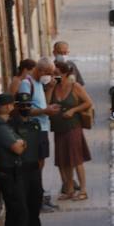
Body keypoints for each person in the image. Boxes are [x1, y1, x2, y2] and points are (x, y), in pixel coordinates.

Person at [0, 94, 54, 226]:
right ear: (12, 106)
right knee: (19, 215)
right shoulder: (5, 126)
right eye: (21, 105)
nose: (25, 108)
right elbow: (18, 147)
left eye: (28, 105)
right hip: (15, 174)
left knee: (30, 212)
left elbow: (39, 148)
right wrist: (22, 143)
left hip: (29, 172)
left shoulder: (32, 124)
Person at [14, 58, 58, 212]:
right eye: (48, 73)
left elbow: (43, 104)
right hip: (34, 130)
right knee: (36, 165)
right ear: (40, 71)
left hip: (43, 127)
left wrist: (50, 92)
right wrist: (45, 111)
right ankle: (35, 199)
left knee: (41, 163)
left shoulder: (39, 83)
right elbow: (25, 110)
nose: (50, 77)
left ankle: (39, 195)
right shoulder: (27, 84)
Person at [48, 61, 93, 201]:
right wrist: (50, 87)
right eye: (53, 74)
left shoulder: (75, 87)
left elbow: (88, 102)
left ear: (65, 73)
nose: (55, 76)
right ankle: (69, 189)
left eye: (57, 73)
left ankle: (83, 190)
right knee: (62, 160)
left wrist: (73, 110)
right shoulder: (53, 88)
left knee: (76, 159)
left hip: (73, 127)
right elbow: (47, 103)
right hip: (58, 128)